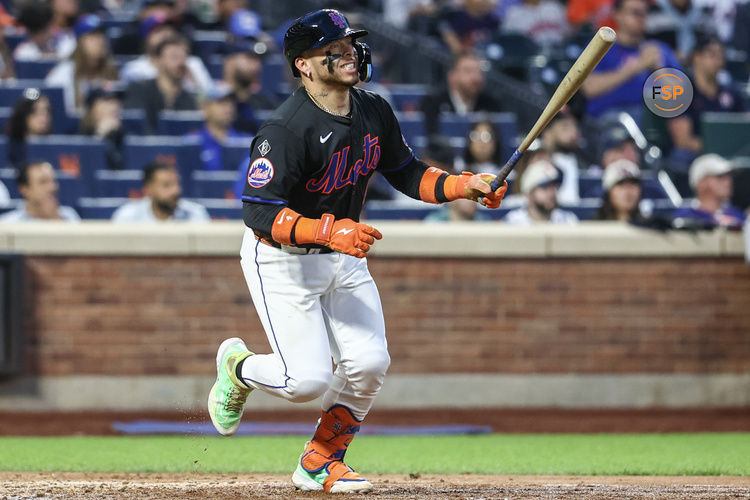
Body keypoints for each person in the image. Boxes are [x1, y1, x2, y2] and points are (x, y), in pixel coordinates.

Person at [206, 9, 508, 494]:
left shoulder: (374, 110)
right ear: (304, 64)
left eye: (350, 43)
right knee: (304, 382)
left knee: (369, 363)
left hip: (342, 254)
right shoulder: (284, 129)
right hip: (281, 259)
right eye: (336, 46)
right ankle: (237, 367)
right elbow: (259, 212)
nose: (349, 52)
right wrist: (329, 232)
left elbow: (408, 173)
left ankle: (321, 460)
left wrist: (463, 185)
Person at [582, 0, 681, 125]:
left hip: (652, 122)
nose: (641, 18)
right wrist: (633, 69)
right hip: (606, 122)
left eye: (644, 13)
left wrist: (659, 69)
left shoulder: (659, 50)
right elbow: (589, 88)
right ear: (617, 14)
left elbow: (680, 96)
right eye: (635, 13)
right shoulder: (600, 47)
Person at [667, 35, 746, 165]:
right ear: (696, 57)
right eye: (712, 54)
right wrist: (717, 149)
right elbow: (682, 140)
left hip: (731, 154)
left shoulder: (733, 93)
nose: (718, 60)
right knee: (679, 157)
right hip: (697, 154)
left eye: (721, 55)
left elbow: (744, 125)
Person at [123, 34, 198, 133]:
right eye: (174, 57)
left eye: (183, 57)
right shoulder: (139, 89)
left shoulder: (189, 98)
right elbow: (135, 126)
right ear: (159, 61)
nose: (181, 63)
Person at [120, 14, 212, 94]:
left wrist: (191, 78)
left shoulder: (193, 63)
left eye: (169, 29)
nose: (166, 34)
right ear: (146, 37)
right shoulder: (134, 69)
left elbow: (210, 95)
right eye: (159, 31)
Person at [45, 14, 119, 112]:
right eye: (93, 36)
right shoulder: (63, 73)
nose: (100, 40)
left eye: (101, 35)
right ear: (80, 41)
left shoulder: (111, 70)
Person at [419, 50, 502, 137]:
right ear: (451, 77)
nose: (475, 77)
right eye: (468, 71)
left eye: (479, 72)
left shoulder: (491, 105)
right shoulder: (432, 103)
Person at [111, 161, 210, 222]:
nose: (176, 191)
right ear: (148, 190)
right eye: (167, 185)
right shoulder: (128, 216)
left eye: (177, 184)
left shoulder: (195, 214)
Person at [672, 154, 745, 229]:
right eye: (720, 176)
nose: (728, 182)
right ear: (701, 183)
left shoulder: (737, 215)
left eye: (729, 177)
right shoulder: (683, 217)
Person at [222, 40, 279, 135]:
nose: (256, 66)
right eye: (249, 58)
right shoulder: (215, 102)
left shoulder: (266, 103)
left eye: (258, 60)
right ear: (230, 61)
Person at [188, 84, 248, 171]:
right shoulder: (192, 143)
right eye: (221, 102)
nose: (229, 107)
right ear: (205, 107)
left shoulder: (247, 142)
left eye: (231, 102)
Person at [0, 161, 80, 222]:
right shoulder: (9, 224)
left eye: (53, 181)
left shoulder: (69, 217)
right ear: (24, 189)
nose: (52, 187)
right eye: (43, 182)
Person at [504, 159, 578, 224]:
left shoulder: (568, 220)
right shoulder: (513, 221)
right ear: (528, 193)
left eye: (554, 186)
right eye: (544, 187)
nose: (551, 192)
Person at [6, 89, 53, 169]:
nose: (43, 117)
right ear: (23, 114)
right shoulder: (9, 147)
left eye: (46, 111)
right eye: (35, 111)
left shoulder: (54, 147)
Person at [80, 88, 125, 170]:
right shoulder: (80, 136)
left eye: (117, 101)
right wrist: (99, 135)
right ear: (92, 108)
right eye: (108, 101)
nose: (115, 107)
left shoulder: (125, 137)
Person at [502, 0, 570, 47]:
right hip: (531, 58)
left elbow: (569, 34)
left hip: (558, 54)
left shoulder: (555, 7)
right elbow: (508, 42)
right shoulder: (514, 14)